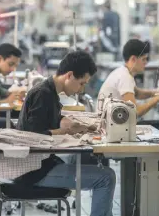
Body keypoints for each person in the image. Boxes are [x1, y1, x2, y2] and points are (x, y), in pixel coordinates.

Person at [16, 50, 116, 216]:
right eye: (82, 83)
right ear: (69, 75)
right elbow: (33, 135)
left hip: (42, 164)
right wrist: (63, 131)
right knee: (106, 177)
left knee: (96, 165)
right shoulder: (43, 94)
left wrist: (78, 128)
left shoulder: (50, 92)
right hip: (33, 171)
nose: (81, 90)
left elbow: (46, 123)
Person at [97, 39, 159, 117]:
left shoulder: (123, 71)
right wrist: (157, 99)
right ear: (133, 59)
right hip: (108, 125)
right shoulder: (125, 77)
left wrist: (156, 92)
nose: (146, 62)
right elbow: (135, 112)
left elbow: (137, 93)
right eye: (144, 59)